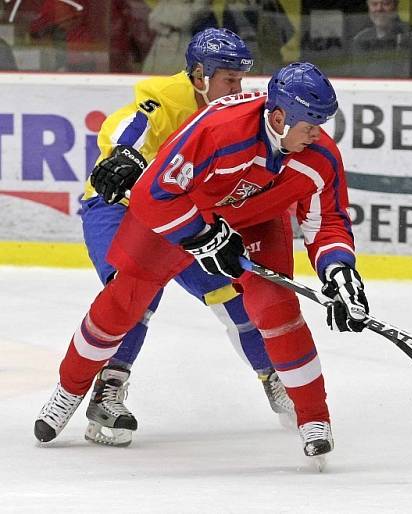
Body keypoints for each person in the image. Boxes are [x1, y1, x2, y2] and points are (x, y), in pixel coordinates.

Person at [35, 61, 367, 465]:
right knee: (124, 299)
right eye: (309, 124)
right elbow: (153, 196)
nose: (317, 134)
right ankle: (69, 389)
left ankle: (314, 418)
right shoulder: (218, 129)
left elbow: (326, 220)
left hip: (256, 219)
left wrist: (339, 271)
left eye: (322, 123)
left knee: (277, 308)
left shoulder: (320, 157)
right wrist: (202, 235)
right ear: (279, 117)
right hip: (182, 214)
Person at [37, 28, 295, 448]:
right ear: (198, 75)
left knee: (234, 295)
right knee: (133, 292)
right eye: (228, 79)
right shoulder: (167, 95)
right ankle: (108, 388)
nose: (238, 88)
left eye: (241, 79)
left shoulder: (235, 114)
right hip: (118, 210)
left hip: (179, 220)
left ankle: (275, 377)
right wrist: (124, 153)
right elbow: (131, 123)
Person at [348, 0, 412, 79]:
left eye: (385, 4)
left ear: (396, 7)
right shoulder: (360, 40)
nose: (379, 9)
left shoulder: (411, 40)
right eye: (374, 4)